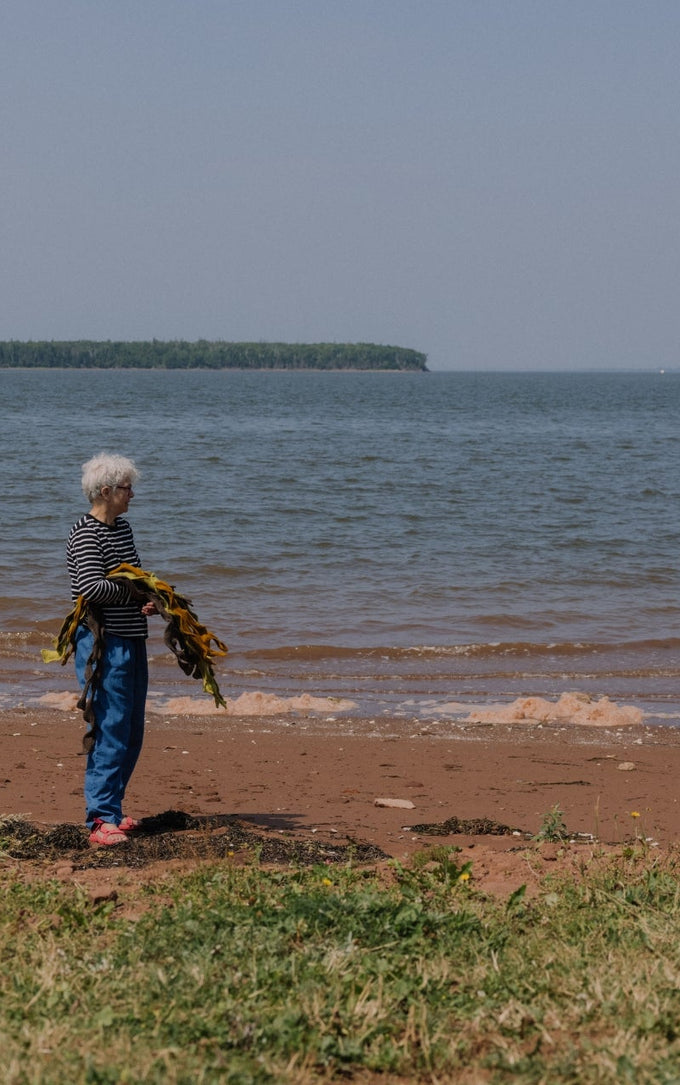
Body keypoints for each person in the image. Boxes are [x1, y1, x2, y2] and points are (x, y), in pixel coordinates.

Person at [67, 453, 156, 846]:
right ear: (106, 491)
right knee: (110, 729)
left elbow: (133, 577)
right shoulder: (85, 534)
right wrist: (133, 593)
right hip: (103, 644)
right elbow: (90, 588)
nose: (132, 495)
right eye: (126, 488)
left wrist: (148, 601)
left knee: (132, 729)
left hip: (133, 640)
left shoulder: (122, 529)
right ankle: (100, 819)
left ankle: (114, 809)